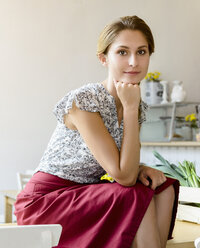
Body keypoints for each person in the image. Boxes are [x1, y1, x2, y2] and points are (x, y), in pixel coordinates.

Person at [14, 15, 179, 248]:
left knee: (164, 186)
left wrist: (140, 166)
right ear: (104, 58)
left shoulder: (135, 104)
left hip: (87, 195)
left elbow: (125, 167)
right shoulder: (86, 100)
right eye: (122, 52)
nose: (133, 61)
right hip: (47, 202)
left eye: (141, 52)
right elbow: (124, 176)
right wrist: (130, 109)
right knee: (132, 194)